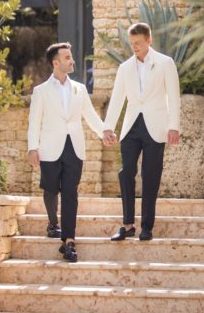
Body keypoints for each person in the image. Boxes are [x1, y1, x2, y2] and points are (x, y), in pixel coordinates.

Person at [26, 42, 111, 263]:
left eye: (71, 57)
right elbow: (34, 120)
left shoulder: (79, 89)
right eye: (67, 58)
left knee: (70, 192)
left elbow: (90, 115)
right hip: (50, 148)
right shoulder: (41, 91)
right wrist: (32, 148)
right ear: (56, 63)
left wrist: (104, 133)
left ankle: (69, 242)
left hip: (74, 147)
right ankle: (53, 222)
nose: (71, 60)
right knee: (51, 188)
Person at [102, 22, 181, 241]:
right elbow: (117, 98)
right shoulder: (124, 68)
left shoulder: (165, 63)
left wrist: (174, 126)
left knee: (151, 176)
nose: (134, 47)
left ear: (149, 40)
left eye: (138, 43)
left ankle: (147, 226)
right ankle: (127, 225)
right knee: (126, 172)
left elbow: (174, 96)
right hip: (131, 127)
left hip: (156, 127)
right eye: (132, 43)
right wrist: (107, 127)